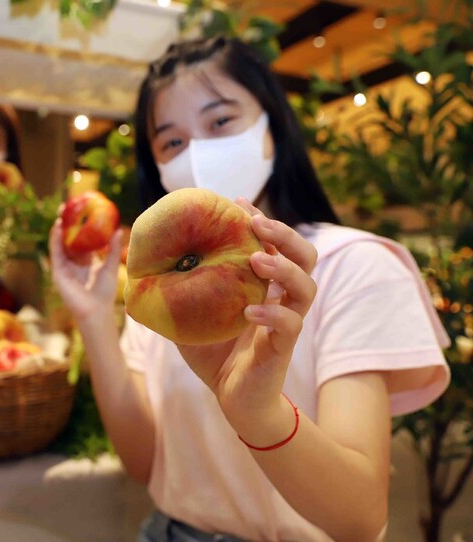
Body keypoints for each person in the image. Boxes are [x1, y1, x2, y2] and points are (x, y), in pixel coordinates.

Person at [49, 36, 450, 542]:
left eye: (220, 122)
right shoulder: (162, 288)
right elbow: (147, 463)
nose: (197, 152)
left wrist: (257, 411)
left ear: (272, 127)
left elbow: (359, 518)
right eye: (172, 142)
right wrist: (92, 317)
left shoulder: (354, 264)